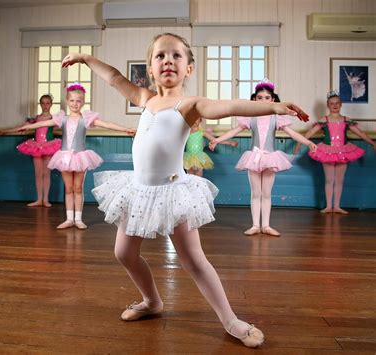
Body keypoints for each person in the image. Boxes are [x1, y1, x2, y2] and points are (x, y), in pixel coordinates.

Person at [61, 33, 309, 348]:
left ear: (189, 68)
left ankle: (231, 320)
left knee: (192, 258)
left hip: (173, 191)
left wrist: (274, 108)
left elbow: (228, 105)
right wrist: (85, 58)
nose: (168, 61)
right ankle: (152, 301)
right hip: (139, 190)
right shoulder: (145, 98)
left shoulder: (190, 104)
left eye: (177, 56)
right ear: (150, 68)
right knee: (123, 252)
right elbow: (113, 77)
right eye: (161, 56)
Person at [6, 83, 135, 229]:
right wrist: (25, 127)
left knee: (78, 188)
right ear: (67, 101)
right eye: (72, 100)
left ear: (83, 102)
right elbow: (41, 124)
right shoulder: (62, 119)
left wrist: (126, 129)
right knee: (68, 188)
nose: (75, 103)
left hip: (80, 157)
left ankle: (78, 219)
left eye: (78, 101)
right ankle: (69, 219)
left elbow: (106, 124)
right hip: (64, 158)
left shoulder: (86, 118)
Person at [209, 79, 317, 236]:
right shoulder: (250, 117)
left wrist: (308, 142)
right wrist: (217, 139)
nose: (263, 101)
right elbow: (234, 131)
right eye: (260, 98)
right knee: (256, 193)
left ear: (273, 100)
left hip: (270, 157)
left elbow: (292, 133)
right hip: (254, 157)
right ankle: (255, 225)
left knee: (266, 193)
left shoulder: (276, 117)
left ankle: (266, 225)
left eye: (267, 98)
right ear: (254, 100)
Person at [294, 90, 376, 214]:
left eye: (337, 103)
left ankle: (337, 206)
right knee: (329, 179)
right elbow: (311, 132)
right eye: (332, 103)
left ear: (341, 104)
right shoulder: (324, 120)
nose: (335, 105)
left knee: (339, 179)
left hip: (343, 151)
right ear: (328, 105)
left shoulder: (346, 120)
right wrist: (300, 142)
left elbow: (360, 133)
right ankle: (328, 206)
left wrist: (372, 143)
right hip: (327, 151)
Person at [0, 94, 62, 207]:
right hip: (36, 146)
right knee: (38, 174)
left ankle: (46, 200)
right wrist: (6, 131)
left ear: (51, 104)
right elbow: (21, 128)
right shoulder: (35, 119)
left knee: (46, 174)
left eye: (48, 103)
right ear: (40, 104)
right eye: (43, 103)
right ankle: (39, 199)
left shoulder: (54, 119)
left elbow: (67, 127)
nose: (45, 105)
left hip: (48, 146)